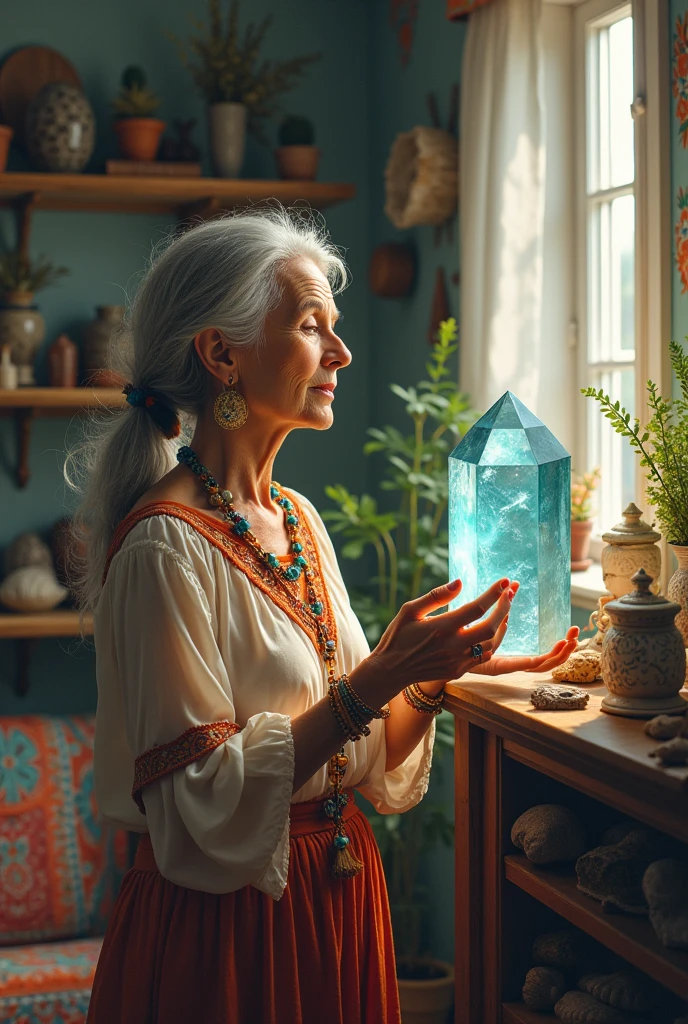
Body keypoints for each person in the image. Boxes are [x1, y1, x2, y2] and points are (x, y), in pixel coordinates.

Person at [76, 209, 578, 1024]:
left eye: (334, 329)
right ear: (221, 354)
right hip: (230, 938)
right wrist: (381, 672)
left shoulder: (298, 520)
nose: (340, 353)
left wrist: (427, 678)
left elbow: (367, 764)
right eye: (312, 327)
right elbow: (197, 803)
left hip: (336, 901)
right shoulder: (163, 549)